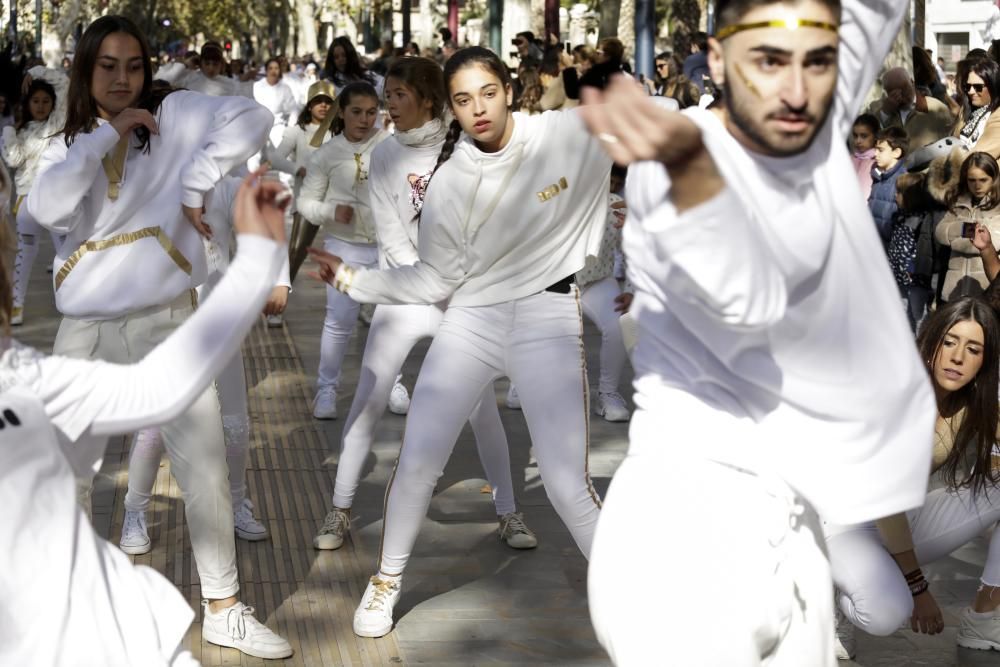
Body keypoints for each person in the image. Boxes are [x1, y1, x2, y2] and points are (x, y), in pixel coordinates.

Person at [577, 0, 936, 662]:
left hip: (794, 517)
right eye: (767, 61)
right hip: (691, 524)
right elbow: (749, 296)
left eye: (818, 63)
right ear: (717, 61)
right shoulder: (672, 164)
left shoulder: (806, 125)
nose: (795, 88)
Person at [308, 46, 611, 639]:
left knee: (566, 481)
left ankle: (631, 593)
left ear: (509, 90)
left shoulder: (566, 132)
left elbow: (665, 125)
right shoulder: (449, 181)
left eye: (488, 93)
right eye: (464, 100)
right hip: (470, 319)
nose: (478, 109)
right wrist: (355, 279)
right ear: (451, 106)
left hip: (548, 317)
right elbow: (433, 278)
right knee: (418, 459)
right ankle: (387, 578)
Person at [23, 16, 291, 659]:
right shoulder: (69, 146)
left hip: (168, 324)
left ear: (149, 69)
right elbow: (48, 209)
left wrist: (196, 176)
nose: (122, 78)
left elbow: (252, 122)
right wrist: (106, 137)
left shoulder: (177, 116)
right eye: (107, 66)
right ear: (86, 72)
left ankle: (224, 608)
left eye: (134, 65)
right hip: (83, 332)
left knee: (204, 471)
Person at [311, 56, 537, 554]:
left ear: (429, 100)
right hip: (405, 292)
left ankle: (509, 512)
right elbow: (392, 238)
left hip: (463, 301)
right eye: (386, 95)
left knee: (482, 411)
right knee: (368, 400)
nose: (388, 104)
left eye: (397, 95)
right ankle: (341, 508)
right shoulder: (385, 155)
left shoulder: (468, 146)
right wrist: (427, 283)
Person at [826, 298, 1000, 658]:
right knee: (884, 614)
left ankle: (986, 612)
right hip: (837, 524)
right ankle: (825, 595)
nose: (957, 357)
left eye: (973, 349)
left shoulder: (972, 404)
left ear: (984, 362)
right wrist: (918, 588)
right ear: (932, 341)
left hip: (899, 522)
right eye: (949, 342)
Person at [297, 82, 402, 420]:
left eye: (371, 112)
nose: (364, 119)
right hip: (343, 247)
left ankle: (393, 383)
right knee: (340, 320)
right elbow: (306, 203)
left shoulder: (390, 145)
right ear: (342, 112)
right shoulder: (326, 155)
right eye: (357, 111)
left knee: (391, 321)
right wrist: (331, 212)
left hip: (387, 246)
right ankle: (327, 389)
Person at [2, 65, 68, 326]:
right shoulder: (18, 131)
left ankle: (70, 302)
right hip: (28, 201)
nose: (40, 106)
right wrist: (8, 130)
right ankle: (16, 306)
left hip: (56, 200)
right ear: (27, 104)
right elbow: (12, 158)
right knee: (24, 255)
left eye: (46, 101)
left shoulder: (58, 124)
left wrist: (36, 71)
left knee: (67, 253)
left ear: (53, 104)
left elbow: (64, 84)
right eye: (36, 101)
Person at [935, 152, 1000, 302]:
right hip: (954, 289)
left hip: (985, 289)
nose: (977, 186)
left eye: (983, 180)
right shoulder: (959, 201)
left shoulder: (998, 205)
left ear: (994, 179)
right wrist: (962, 227)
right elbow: (939, 233)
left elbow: (993, 242)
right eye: (972, 180)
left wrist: (954, 241)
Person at [865, 67, 953, 151]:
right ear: (887, 92)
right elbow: (869, 135)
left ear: (912, 82)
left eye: (904, 88)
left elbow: (949, 142)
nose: (901, 95)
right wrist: (885, 112)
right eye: (894, 92)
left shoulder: (935, 107)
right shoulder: (878, 107)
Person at [869, 126, 910, 248]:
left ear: (896, 152)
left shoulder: (903, 181)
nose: (875, 154)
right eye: (875, 149)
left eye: (880, 150)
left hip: (889, 252)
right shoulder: (877, 176)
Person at [954, 57, 1000, 159]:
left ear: (993, 86)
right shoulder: (966, 110)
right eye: (967, 86)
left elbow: (980, 158)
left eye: (978, 87)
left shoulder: (997, 115)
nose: (971, 91)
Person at [254, 57, 300, 149]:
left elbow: (294, 109)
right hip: (258, 127)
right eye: (270, 68)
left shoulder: (285, 88)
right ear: (266, 70)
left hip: (277, 126)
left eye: (276, 68)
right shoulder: (257, 86)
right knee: (254, 157)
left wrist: (290, 128)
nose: (273, 71)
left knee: (283, 154)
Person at [851, 113, 879, 200]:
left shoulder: (879, 162)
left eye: (864, 136)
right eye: (855, 136)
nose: (858, 141)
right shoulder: (847, 159)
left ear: (875, 136)